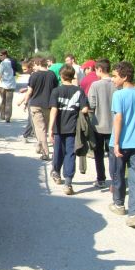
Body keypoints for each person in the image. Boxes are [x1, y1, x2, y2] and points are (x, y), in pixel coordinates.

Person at [107, 61, 135, 229]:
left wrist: (115, 143)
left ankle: (119, 204)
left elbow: (118, 118)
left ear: (125, 77)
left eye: (115, 76)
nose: (113, 79)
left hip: (121, 142)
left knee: (118, 173)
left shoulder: (119, 95)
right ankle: (134, 214)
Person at [48, 64, 89, 195]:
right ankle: (68, 183)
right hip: (73, 129)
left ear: (61, 76)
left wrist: (50, 129)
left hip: (59, 128)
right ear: (72, 76)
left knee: (58, 152)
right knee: (70, 154)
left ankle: (57, 173)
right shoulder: (79, 91)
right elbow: (84, 109)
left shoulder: (56, 91)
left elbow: (54, 110)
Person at [20, 57, 59, 160]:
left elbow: (30, 91)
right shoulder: (52, 75)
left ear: (37, 64)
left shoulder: (34, 76)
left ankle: (45, 153)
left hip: (35, 105)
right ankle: (39, 146)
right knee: (44, 128)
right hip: (49, 105)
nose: (33, 66)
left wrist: (25, 103)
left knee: (40, 129)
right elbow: (55, 90)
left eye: (34, 64)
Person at [88, 58, 115, 188]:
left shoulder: (95, 85)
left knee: (98, 153)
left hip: (98, 125)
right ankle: (115, 179)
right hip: (114, 125)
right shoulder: (117, 84)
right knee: (112, 154)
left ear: (99, 69)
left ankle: (101, 179)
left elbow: (92, 104)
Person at [0, 49, 16, 123]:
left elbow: (0, 74)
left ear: (5, 55)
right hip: (11, 85)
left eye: (1, 55)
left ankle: (3, 115)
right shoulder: (12, 62)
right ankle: (8, 118)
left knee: (3, 101)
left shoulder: (3, 63)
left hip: (3, 85)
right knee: (9, 102)